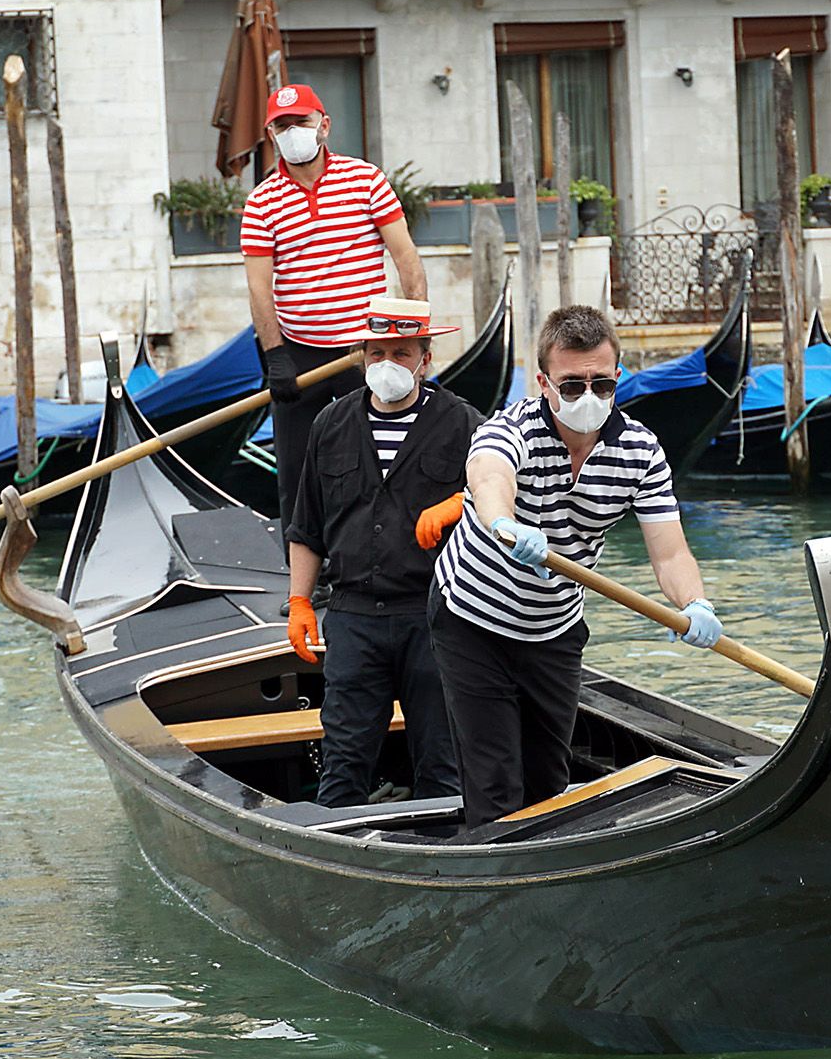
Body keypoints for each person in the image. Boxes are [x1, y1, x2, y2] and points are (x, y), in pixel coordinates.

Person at [428, 306, 724, 828]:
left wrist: (693, 602)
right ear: (542, 382)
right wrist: (505, 525)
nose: (588, 398)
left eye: (602, 384)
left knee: (549, 783)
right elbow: (490, 476)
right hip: (472, 619)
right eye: (571, 386)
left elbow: (670, 552)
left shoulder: (641, 450)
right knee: (496, 781)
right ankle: (497, 886)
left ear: (618, 376)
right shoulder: (510, 428)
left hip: (555, 625)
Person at [284, 297, 479, 808]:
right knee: (344, 761)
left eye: (401, 352)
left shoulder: (464, 425)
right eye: (376, 353)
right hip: (352, 618)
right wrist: (301, 602)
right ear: (361, 355)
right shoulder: (330, 425)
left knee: (445, 763)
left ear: (425, 357)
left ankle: (452, 862)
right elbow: (307, 527)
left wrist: (464, 500)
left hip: (437, 615)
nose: (387, 364)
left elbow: (505, 496)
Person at [240, 83, 429, 527]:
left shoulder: (366, 181)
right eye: (281, 126)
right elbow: (258, 289)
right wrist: (275, 357)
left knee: (379, 463)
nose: (292, 132)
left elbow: (406, 259)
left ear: (322, 125)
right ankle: (303, 586)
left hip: (370, 351)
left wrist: (416, 337)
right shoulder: (260, 203)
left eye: (300, 123)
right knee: (299, 474)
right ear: (271, 135)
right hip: (300, 356)